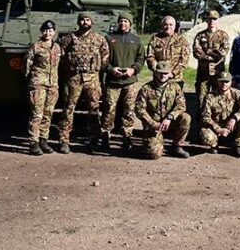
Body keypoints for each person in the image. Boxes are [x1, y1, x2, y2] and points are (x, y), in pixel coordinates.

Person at [56, 13, 110, 154]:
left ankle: (93, 141)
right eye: (82, 19)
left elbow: (105, 59)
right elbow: (61, 59)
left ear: (91, 22)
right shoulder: (69, 39)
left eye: (87, 19)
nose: (84, 22)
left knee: (94, 109)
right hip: (74, 78)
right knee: (68, 109)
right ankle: (63, 140)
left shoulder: (99, 39)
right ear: (78, 22)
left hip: (92, 78)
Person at [101, 11, 145, 152]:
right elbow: (102, 59)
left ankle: (127, 136)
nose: (123, 23)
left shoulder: (136, 40)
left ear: (130, 24)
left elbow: (140, 59)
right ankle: (106, 135)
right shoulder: (109, 38)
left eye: (126, 21)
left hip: (130, 81)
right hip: (113, 81)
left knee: (129, 110)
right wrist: (111, 69)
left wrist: (133, 70)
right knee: (109, 109)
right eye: (121, 21)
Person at [134, 61, 191, 159]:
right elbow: (139, 110)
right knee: (153, 154)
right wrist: (153, 123)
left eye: (165, 73)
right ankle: (151, 142)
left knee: (186, 117)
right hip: (154, 125)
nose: (163, 75)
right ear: (156, 72)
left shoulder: (175, 87)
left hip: (170, 122)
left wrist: (170, 117)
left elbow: (181, 106)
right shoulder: (146, 88)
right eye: (160, 73)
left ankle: (177, 146)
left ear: (169, 74)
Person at [25, 20, 62, 156]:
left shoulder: (57, 48)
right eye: (45, 30)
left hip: (52, 85)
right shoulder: (35, 47)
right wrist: (32, 81)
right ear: (42, 32)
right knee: (37, 114)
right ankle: (33, 142)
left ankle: (43, 140)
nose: (48, 33)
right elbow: (27, 66)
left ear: (54, 32)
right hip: (38, 84)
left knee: (48, 113)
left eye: (51, 30)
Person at [192, 10, 229, 137]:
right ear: (206, 20)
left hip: (218, 75)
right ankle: (201, 130)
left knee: (218, 102)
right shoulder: (200, 36)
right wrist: (212, 54)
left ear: (217, 21)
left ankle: (218, 129)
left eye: (214, 19)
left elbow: (223, 52)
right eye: (209, 19)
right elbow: (196, 52)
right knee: (202, 102)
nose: (212, 21)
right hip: (203, 75)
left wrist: (207, 53)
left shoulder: (223, 35)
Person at [200, 72, 240, 158]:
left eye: (227, 81)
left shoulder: (236, 93)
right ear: (217, 82)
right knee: (205, 134)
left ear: (231, 82)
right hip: (216, 126)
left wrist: (235, 118)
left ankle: (237, 146)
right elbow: (205, 117)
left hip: (231, 125)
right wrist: (218, 129)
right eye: (221, 81)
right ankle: (214, 145)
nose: (224, 84)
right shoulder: (210, 96)